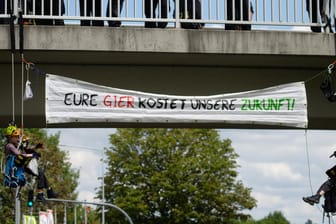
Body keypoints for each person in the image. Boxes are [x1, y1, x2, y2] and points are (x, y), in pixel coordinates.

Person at [4, 124, 58, 202]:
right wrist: (32, 155)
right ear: (10, 137)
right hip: (14, 167)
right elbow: (19, 154)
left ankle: (48, 191)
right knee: (38, 172)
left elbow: (26, 150)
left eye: (18, 137)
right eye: (16, 137)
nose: (17, 139)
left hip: (19, 165)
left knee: (40, 172)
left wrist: (36, 148)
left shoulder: (16, 145)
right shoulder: (9, 146)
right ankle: (43, 193)